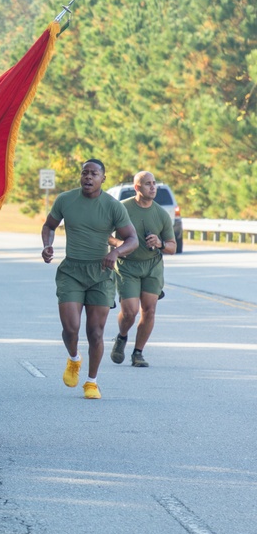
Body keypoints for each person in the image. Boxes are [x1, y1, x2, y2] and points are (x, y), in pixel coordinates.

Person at [41, 159, 138, 399]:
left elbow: (132, 239)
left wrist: (115, 252)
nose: (88, 177)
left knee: (95, 332)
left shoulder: (113, 206)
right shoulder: (66, 200)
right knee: (70, 328)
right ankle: (74, 358)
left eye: (94, 173)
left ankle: (91, 382)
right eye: (85, 173)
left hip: (101, 273)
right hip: (71, 271)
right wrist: (47, 245)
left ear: (103, 178)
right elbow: (49, 225)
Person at [109, 171, 176, 368]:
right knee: (129, 312)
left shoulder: (161, 214)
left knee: (149, 310)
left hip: (152, 266)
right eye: (148, 184)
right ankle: (121, 337)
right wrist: (119, 243)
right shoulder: (122, 208)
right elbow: (105, 235)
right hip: (127, 265)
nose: (153, 187)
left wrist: (160, 243)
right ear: (137, 188)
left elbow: (172, 247)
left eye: (154, 183)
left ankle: (138, 353)